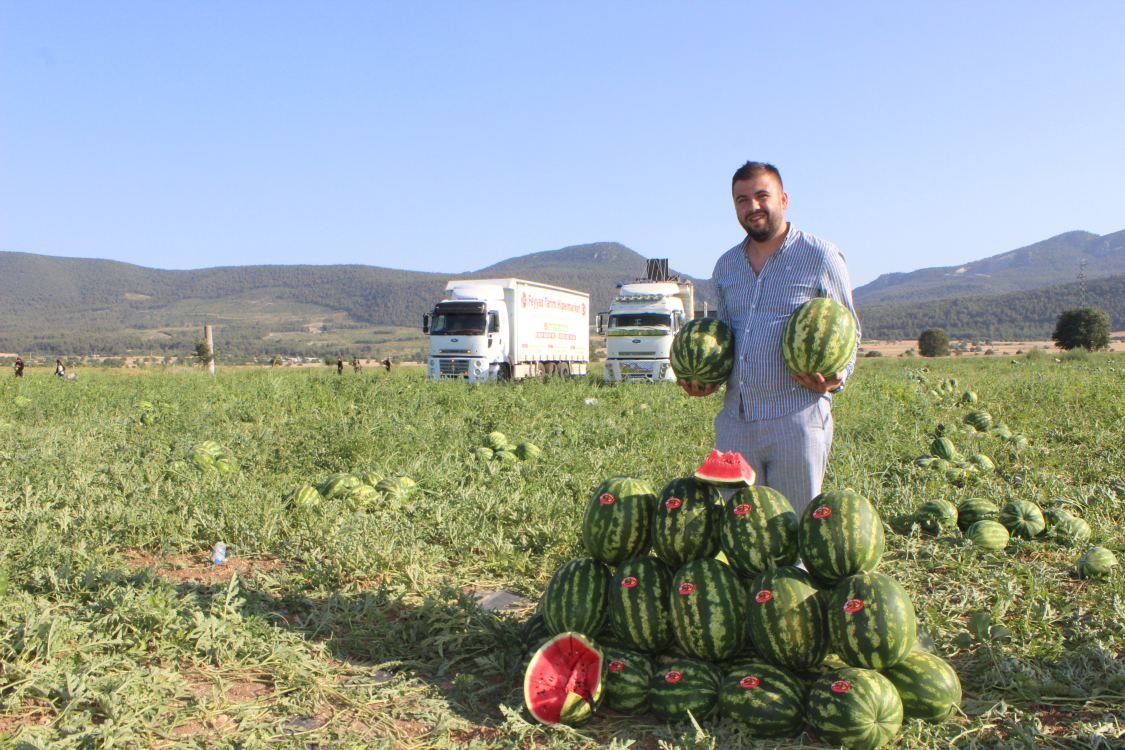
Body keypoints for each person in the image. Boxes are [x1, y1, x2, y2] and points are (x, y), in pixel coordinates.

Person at [679, 162, 860, 520]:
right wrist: (707, 379)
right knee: (739, 534)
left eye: (763, 196)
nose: (753, 207)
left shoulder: (820, 255)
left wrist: (840, 375)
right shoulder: (725, 266)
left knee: (792, 531)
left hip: (795, 417)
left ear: (784, 199)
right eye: (742, 200)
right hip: (736, 420)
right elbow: (725, 336)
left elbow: (847, 328)